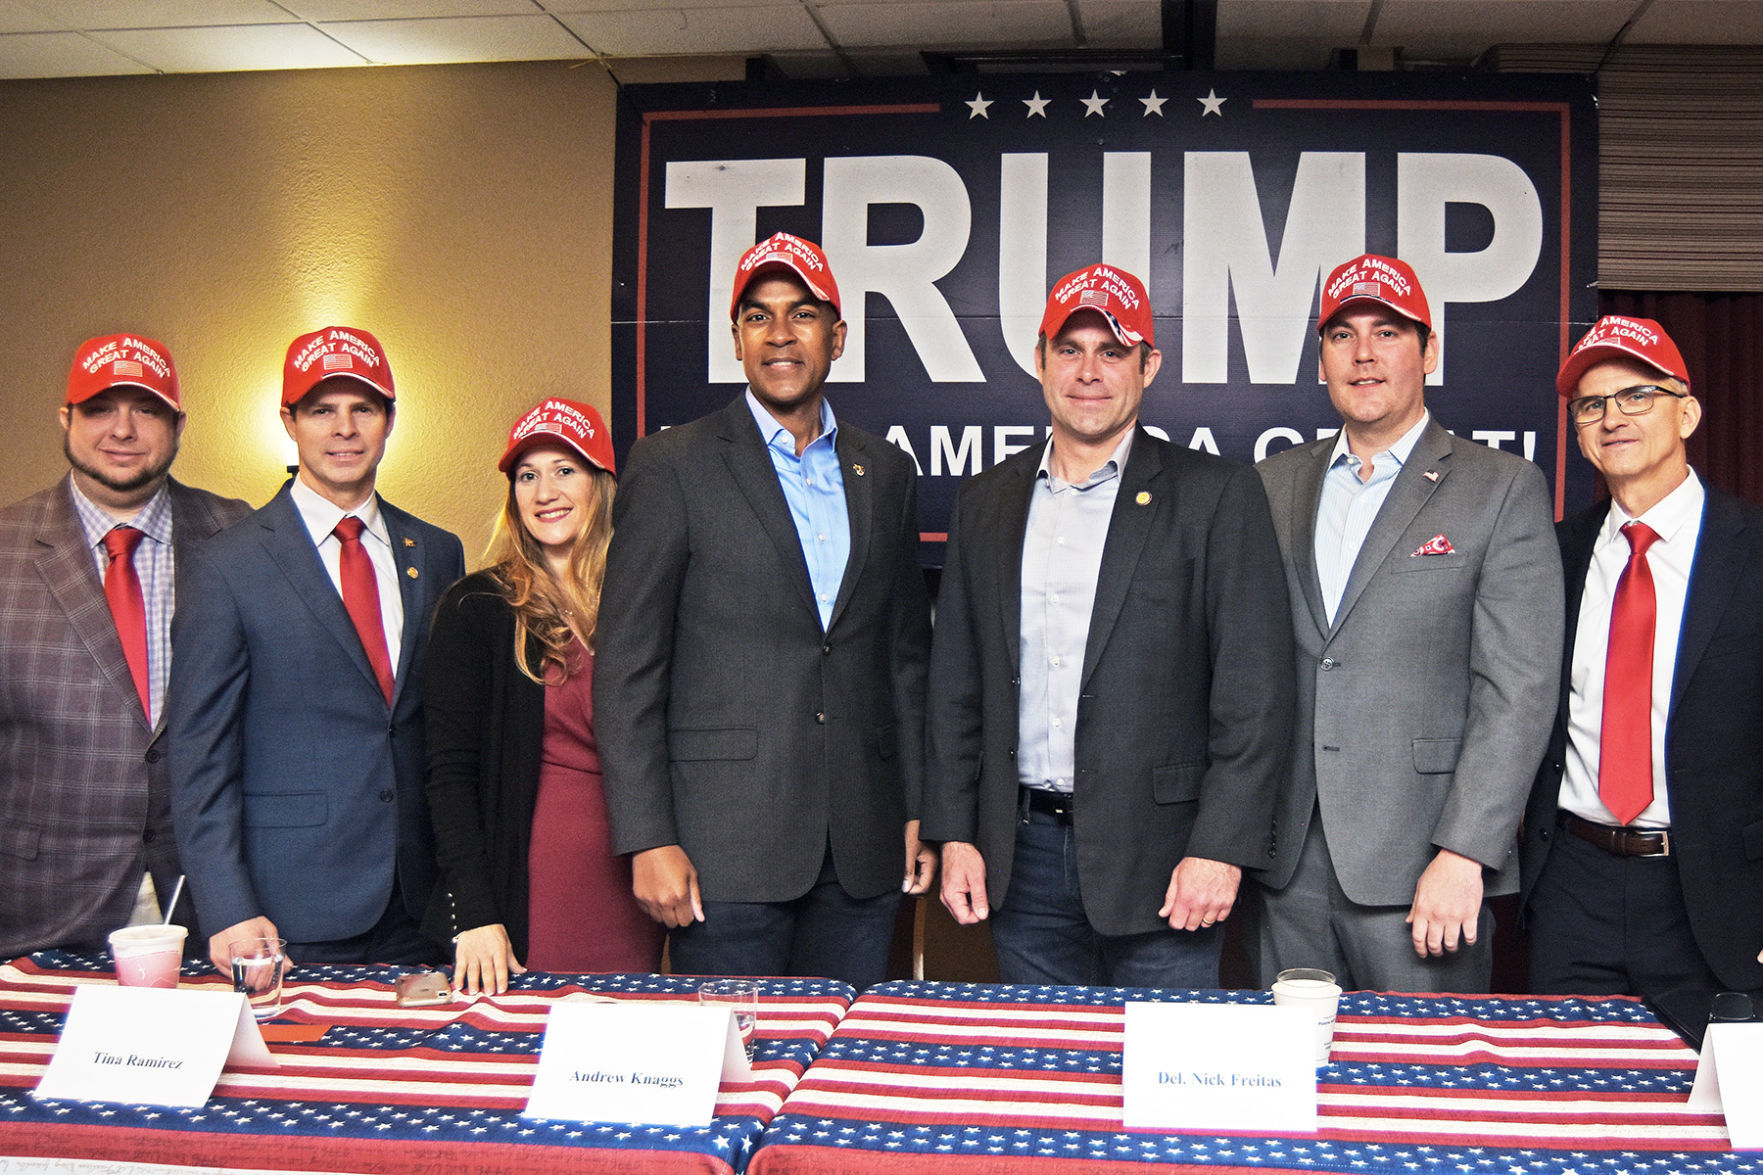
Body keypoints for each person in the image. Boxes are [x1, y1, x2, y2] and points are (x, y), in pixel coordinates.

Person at [919, 264, 1294, 986]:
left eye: (1112, 351)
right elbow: (955, 685)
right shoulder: (986, 500)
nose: (1088, 372)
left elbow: (1255, 695)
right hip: (1018, 859)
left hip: (1168, 864)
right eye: (1070, 349)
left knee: (1167, 1090)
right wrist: (955, 830)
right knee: (1047, 1087)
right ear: (1039, 360)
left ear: (1148, 365)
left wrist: (1221, 846)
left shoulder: (1215, 496)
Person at [596, 232, 934, 988]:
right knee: (731, 1082)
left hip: (863, 849)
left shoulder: (884, 469)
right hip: (722, 851)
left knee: (846, 1078)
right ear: (737, 339)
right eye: (757, 316)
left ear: (836, 337)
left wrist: (917, 808)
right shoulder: (671, 464)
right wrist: (646, 836)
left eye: (801, 313)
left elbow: (904, 658)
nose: (779, 333)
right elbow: (627, 669)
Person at [1251, 253, 1563, 993]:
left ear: (1427, 349)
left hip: (1424, 867)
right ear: (1320, 359)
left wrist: (1465, 853)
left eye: (1386, 332)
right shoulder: (1268, 483)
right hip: (1285, 863)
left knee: (1420, 1089)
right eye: (1341, 336)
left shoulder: (1500, 487)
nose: (1363, 354)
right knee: (1289, 1095)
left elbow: (1517, 689)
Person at [169, 326, 465, 972]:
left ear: (389, 420)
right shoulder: (227, 564)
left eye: (363, 408)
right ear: (289, 421)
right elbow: (198, 755)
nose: (344, 428)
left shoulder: (437, 551)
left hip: (419, 904)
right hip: (284, 912)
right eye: (321, 410)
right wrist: (226, 906)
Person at [1522, 316, 1763, 994]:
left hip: (1719, 894)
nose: (1611, 418)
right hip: (1572, 884)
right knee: (1567, 1093)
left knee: (1720, 1101)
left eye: (1636, 396)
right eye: (1591, 406)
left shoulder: (1752, 550)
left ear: (1685, 412)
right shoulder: (1552, 553)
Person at [0, 335, 249, 959]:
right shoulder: (4, 547)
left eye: (148, 409)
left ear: (178, 425)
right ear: (67, 419)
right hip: (36, 905)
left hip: (206, 902)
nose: (124, 429)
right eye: (100, 408)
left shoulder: (240, 533)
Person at [422, 398, 661, 993]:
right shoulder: (476, 607)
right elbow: (449, 777)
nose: (544, 491)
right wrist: (475, 912)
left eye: (565, 469)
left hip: (642, 873)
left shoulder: (645, 599)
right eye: (528, 475)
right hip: (537, 879)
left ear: (601, 485)